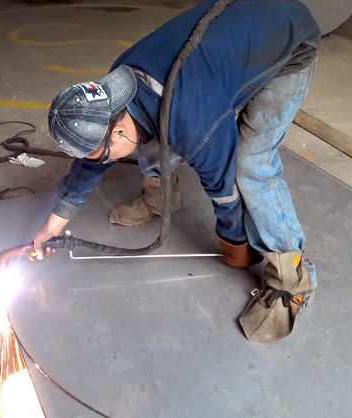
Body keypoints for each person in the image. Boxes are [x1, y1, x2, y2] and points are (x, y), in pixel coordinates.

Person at [36, 0, 320, 343]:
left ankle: (293, 278)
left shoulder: (192, 122)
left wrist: (235, 245)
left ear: (117, 131)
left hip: (289, 41)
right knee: (154, 138)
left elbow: (223, 190)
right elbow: (92, 157)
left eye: (101, 156)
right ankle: (159, 199)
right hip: (234, 41)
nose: (99, 163)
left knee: (251, 163)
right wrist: (53, 225)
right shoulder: (115, 91)